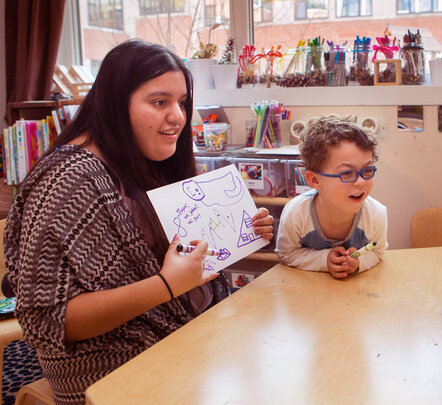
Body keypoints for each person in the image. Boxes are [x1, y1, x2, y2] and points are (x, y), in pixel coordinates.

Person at [3, 40, 274, 405]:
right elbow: (45, 319)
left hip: (190, 339)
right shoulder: (69, 179)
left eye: (181, 102)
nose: (178, 116)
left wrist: (239, 232)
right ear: (116, 103)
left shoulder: (142, 160)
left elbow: (180, 256)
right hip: (114, 372)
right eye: (159, 102)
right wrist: (166, 284)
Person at [275, 116, 387, 279]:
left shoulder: (376, 214)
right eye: (347, 173)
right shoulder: (296, 213)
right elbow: (286, 254)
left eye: (367, 170)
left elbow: (377, 252)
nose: (361, 181)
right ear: (314, 180)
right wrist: (323, 260)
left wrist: (359, 262)